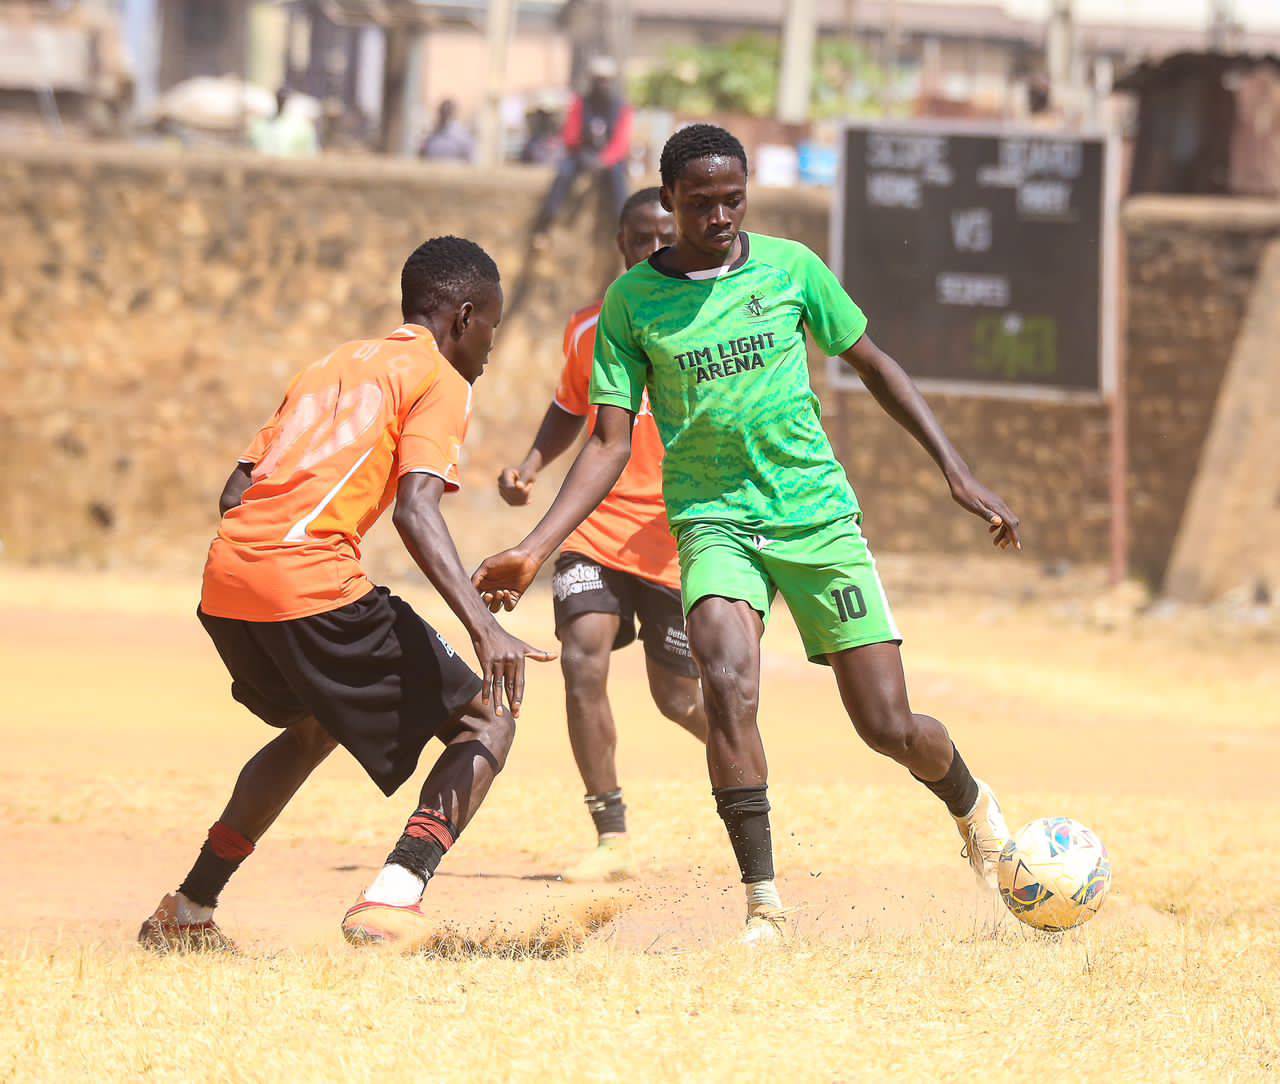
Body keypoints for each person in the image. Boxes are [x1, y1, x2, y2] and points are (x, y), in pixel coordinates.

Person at [473, 124, 1018, 945]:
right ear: (670, 203)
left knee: (887, 726)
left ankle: (973, 806)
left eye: (733, 198)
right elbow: (610, 442)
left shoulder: (792, 268)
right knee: (725, 685)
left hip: (815, 516)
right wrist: (535, 546)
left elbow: (874, 363)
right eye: (701, 203)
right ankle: (764, 905)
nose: (721, 215)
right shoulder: (632, 304)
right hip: (712, 519)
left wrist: (957, 470)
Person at [138, 236, 554, 953]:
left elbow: (235, 489)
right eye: (491, 322)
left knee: (309, 728)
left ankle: (189, 910)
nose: (490, 342)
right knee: (488, 719)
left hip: (228, 582)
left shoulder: (330, 364)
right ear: (461, 315)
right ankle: (394, 898)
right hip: (307, 582)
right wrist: (486, 630)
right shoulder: (440, 379)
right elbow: (416, 509)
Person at [499, 188, 708, 883]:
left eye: (662, 238)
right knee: (582, 658)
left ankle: (748, 765)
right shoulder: (589, 326)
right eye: (638, 238)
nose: (651, 250)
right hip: (596, 525)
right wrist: (531, 465)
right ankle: (611, 834)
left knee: (678, 700)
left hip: (674, 533)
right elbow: (570, 406)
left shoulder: (705, 320)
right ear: (620, 242)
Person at [532, 57, 633, 238]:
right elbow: (570, 134)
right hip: (582, 155)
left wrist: (604, 160)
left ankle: (623, 227)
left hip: (610, 160)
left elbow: (621, 142)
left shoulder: (621, 108)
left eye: (606, 80)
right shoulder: (580, 104)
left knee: (618, 179)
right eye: (598, 79)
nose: (602, 84)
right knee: (564, 173)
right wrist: (583, 155)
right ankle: (545, 223)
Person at [250, 87, 318, 158]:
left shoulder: (302, 127)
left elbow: (310, 154)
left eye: (283, 99)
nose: (281, 101)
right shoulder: (260, 125)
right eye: (280, 98)